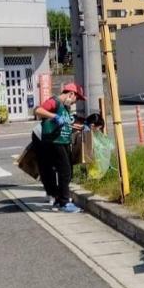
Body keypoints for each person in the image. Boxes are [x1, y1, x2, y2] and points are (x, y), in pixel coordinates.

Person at [34, 82, 86, 212]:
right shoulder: (55, 102)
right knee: (65, 171)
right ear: (71, 94)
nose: (75, 102)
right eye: (76, 99)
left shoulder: (65, 107)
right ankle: (64, 203)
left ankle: (59, 199)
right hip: (55, 142)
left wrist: (78, 127)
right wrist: (54, 116)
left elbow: (66, 124)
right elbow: (38, 110)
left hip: (62, 142)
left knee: (66, 172)